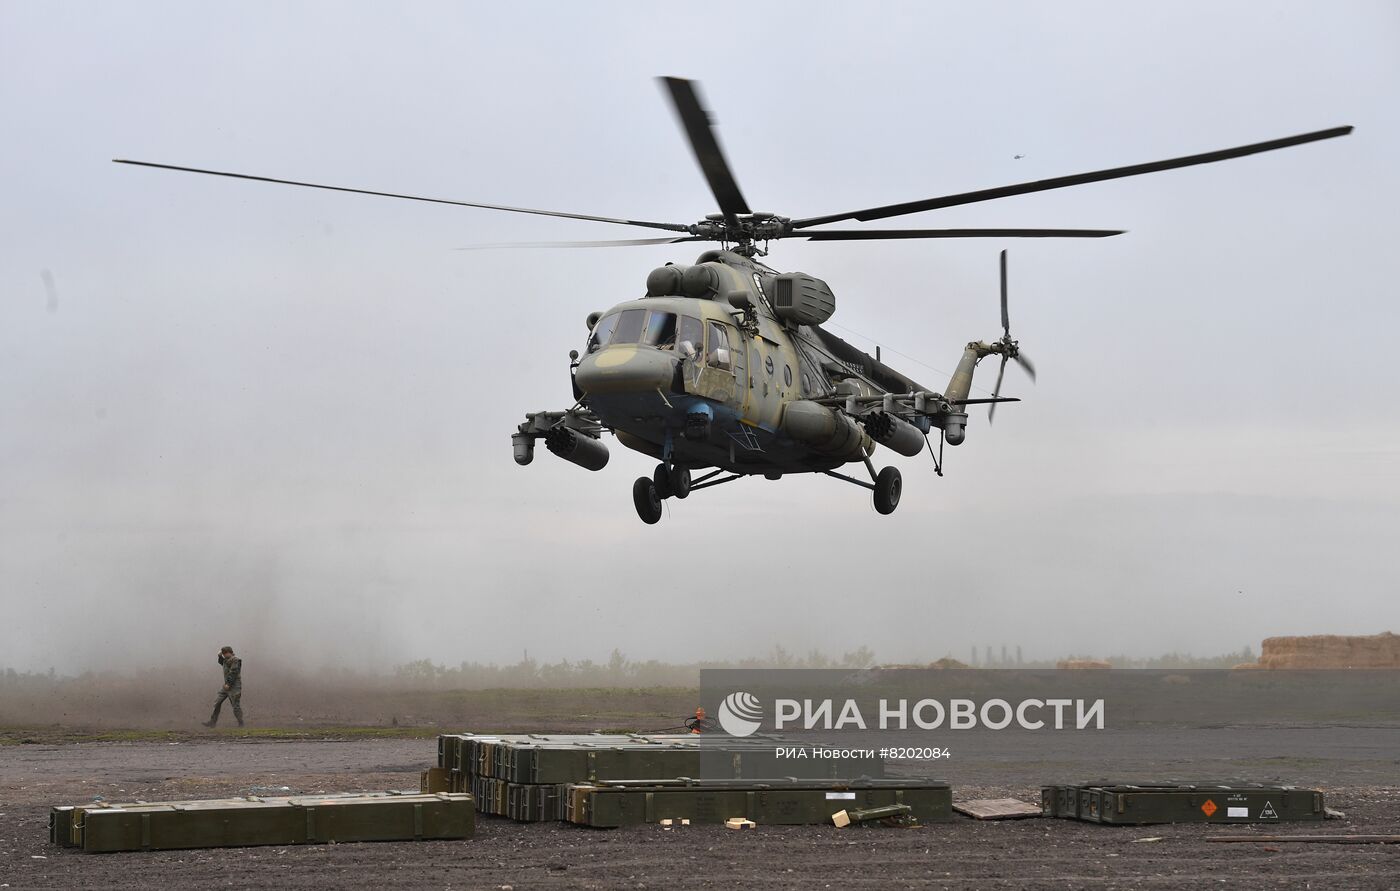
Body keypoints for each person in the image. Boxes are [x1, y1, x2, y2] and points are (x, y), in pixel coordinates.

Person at [203, 646, 243, 728]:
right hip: (226, 686)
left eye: (225, 653)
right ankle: (212, 722)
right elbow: (224, 663)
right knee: (217, 702)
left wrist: (228, 683)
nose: (224, 655)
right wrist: (219, 656)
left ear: (229, 652)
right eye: (223, 653)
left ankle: (241, 723)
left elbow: (234, 672)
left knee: (235, 706)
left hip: (234, 686)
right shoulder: (226, 660)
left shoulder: (236, 660)